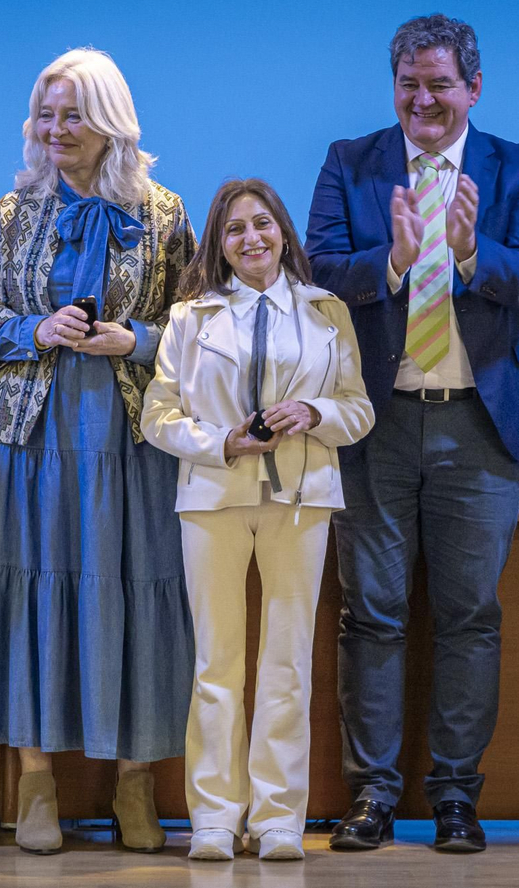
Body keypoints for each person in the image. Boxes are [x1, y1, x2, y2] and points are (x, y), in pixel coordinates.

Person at [304, 13, 519, 852]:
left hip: (479, 429)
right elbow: (320, 270)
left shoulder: (517, 166)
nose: (424, 100)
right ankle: (372, 794)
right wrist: (391, 262)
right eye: (409, 85)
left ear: (472, 89)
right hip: (375, 422)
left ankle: (456, 796)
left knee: (469, 616)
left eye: (440, 85)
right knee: (370, 615)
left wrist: (470, 251)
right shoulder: (352, 162)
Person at [0, 47, 196, 855]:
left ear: (110, 123)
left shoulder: (164, 213)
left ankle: (135, 785)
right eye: (47, 112)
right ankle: (38, 784)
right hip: (33, 440)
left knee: (132, 596)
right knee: (36, 600)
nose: (57, 128)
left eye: (73, 113)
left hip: (133, 443)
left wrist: (130, 339)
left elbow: (198, 333)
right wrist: (34, 329)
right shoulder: (12, 210)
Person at [143, 179, 374, 861]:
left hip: (302, 500)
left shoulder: (326, 312)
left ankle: (278, 818)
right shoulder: (190, 318)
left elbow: (357, 410)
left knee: (287, 664)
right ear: (218, 243)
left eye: (262, 224)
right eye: (234, 228)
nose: (251, 239)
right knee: (216, 663)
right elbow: (157, 417)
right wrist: (222, 442)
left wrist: (316, 414)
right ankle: (214, 816)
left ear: (283, 233)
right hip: (213, 498)